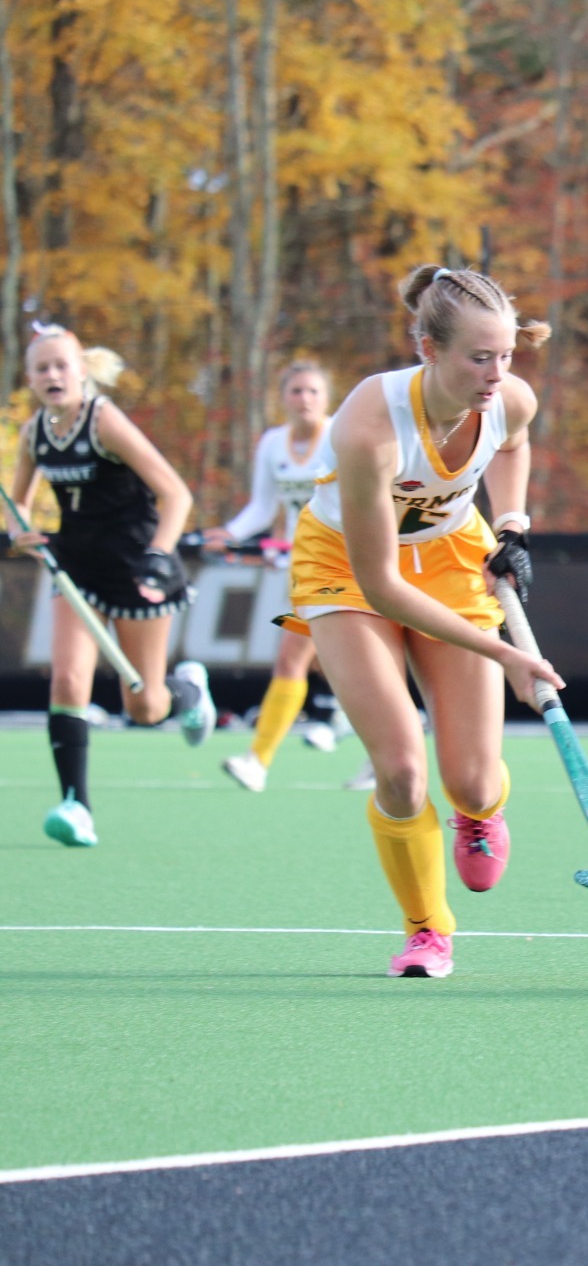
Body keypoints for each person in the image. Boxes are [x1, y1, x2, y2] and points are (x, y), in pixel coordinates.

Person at [287, 265, 555, 979]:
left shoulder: (509, 400)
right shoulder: (370, 428)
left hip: (448, 554)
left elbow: (515, 443)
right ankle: (428, 929)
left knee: (469, 779)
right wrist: (504, 654)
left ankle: (479, 809)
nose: (497, 374)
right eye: (478, 357)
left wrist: (512, 524)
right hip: (348, 567)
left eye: (505, 355)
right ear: (428, 349)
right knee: (403, 767)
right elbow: (381, 584)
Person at [8, 323, 216, 847]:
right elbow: (18, 505)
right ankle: (76, 805)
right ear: (30, 377)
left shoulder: (105, 421)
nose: (53, 375)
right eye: (42, 368)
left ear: (81, 371)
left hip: (135, 569)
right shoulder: (35, 432)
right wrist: (20, 534)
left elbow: (176, 494)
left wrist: (159, 555)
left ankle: (187, 686)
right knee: (67, 683)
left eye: (62, 365)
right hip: (75, 570)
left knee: (144, 708)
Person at [206, 360, 340, 791]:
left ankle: (257, 760)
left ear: (327, 398)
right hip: (300, 567)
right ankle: (368, 739)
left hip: (342, 563)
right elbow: (263, 509)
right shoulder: (272, 444)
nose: (305, 400)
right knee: (337, 665)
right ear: (282, 398)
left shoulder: (340, 435)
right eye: (297, 391)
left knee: (291, 658)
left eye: (313, 392)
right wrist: (230, 533)